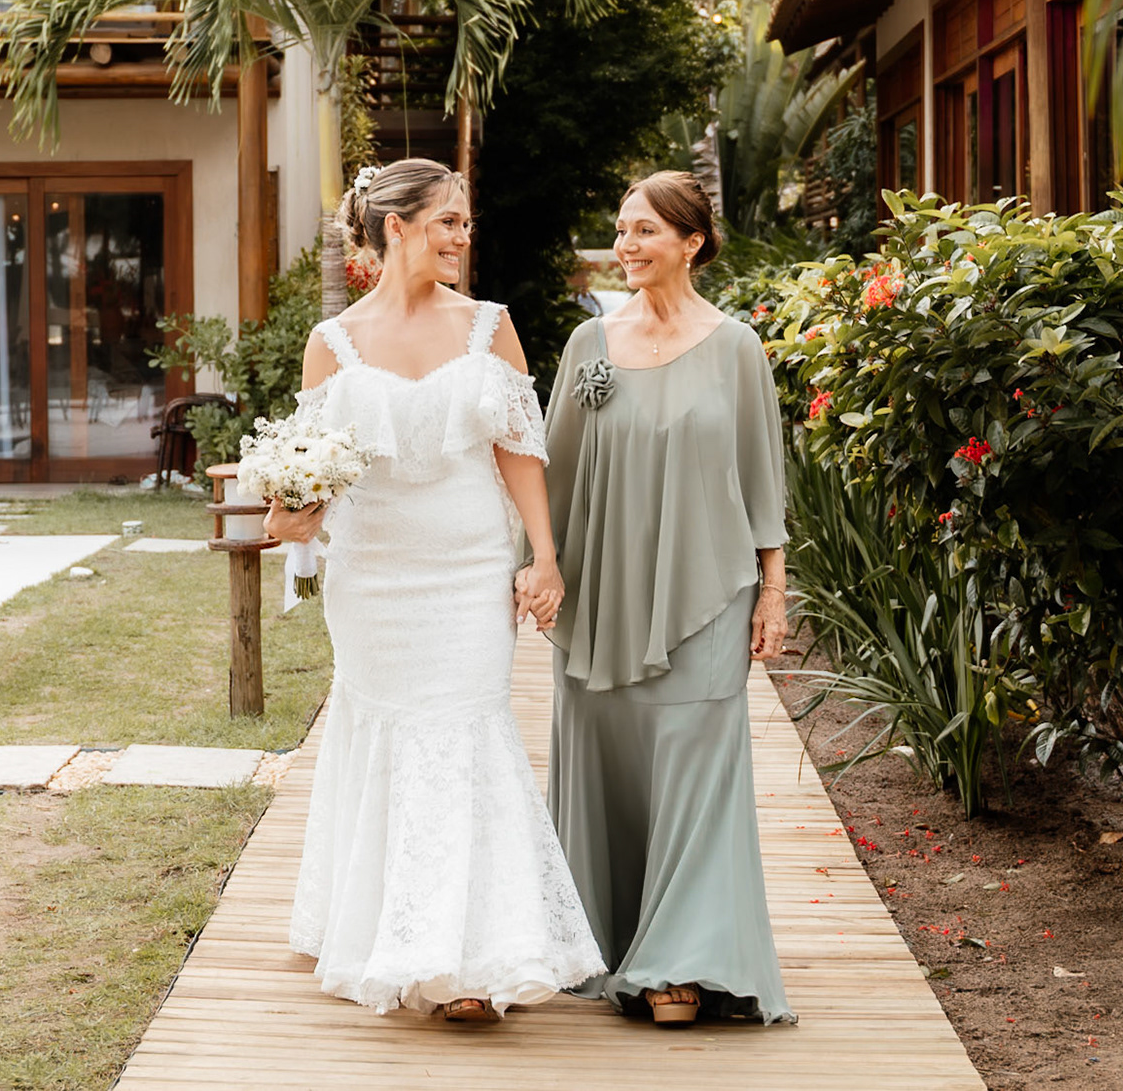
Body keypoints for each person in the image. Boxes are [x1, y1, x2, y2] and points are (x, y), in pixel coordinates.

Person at [270, 158, 602, 1022]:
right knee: (387, 733)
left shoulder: (489, 326)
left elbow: (518, 452)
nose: (462, 235)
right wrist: (293, 516)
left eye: (464, 221)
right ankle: (403, 938)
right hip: (373, 581)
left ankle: (470, 962)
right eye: (447, 220)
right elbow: (311, 476)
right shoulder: (331, 343)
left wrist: (544, 556)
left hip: (467, 573)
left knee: (466, 733)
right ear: (396, 227)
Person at [537, 170, 795, 1026]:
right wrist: (538, 566)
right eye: (620, 230)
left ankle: (681, 960)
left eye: (645, 230)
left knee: (696, 758)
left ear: (692, 241)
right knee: (609, 755)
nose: (627, 245)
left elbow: (763, 479)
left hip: (707, 590)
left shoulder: (737, 347)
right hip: (605, 593)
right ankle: (605, 943)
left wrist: (774, 593)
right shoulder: (589, 346)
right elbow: (555, 469)